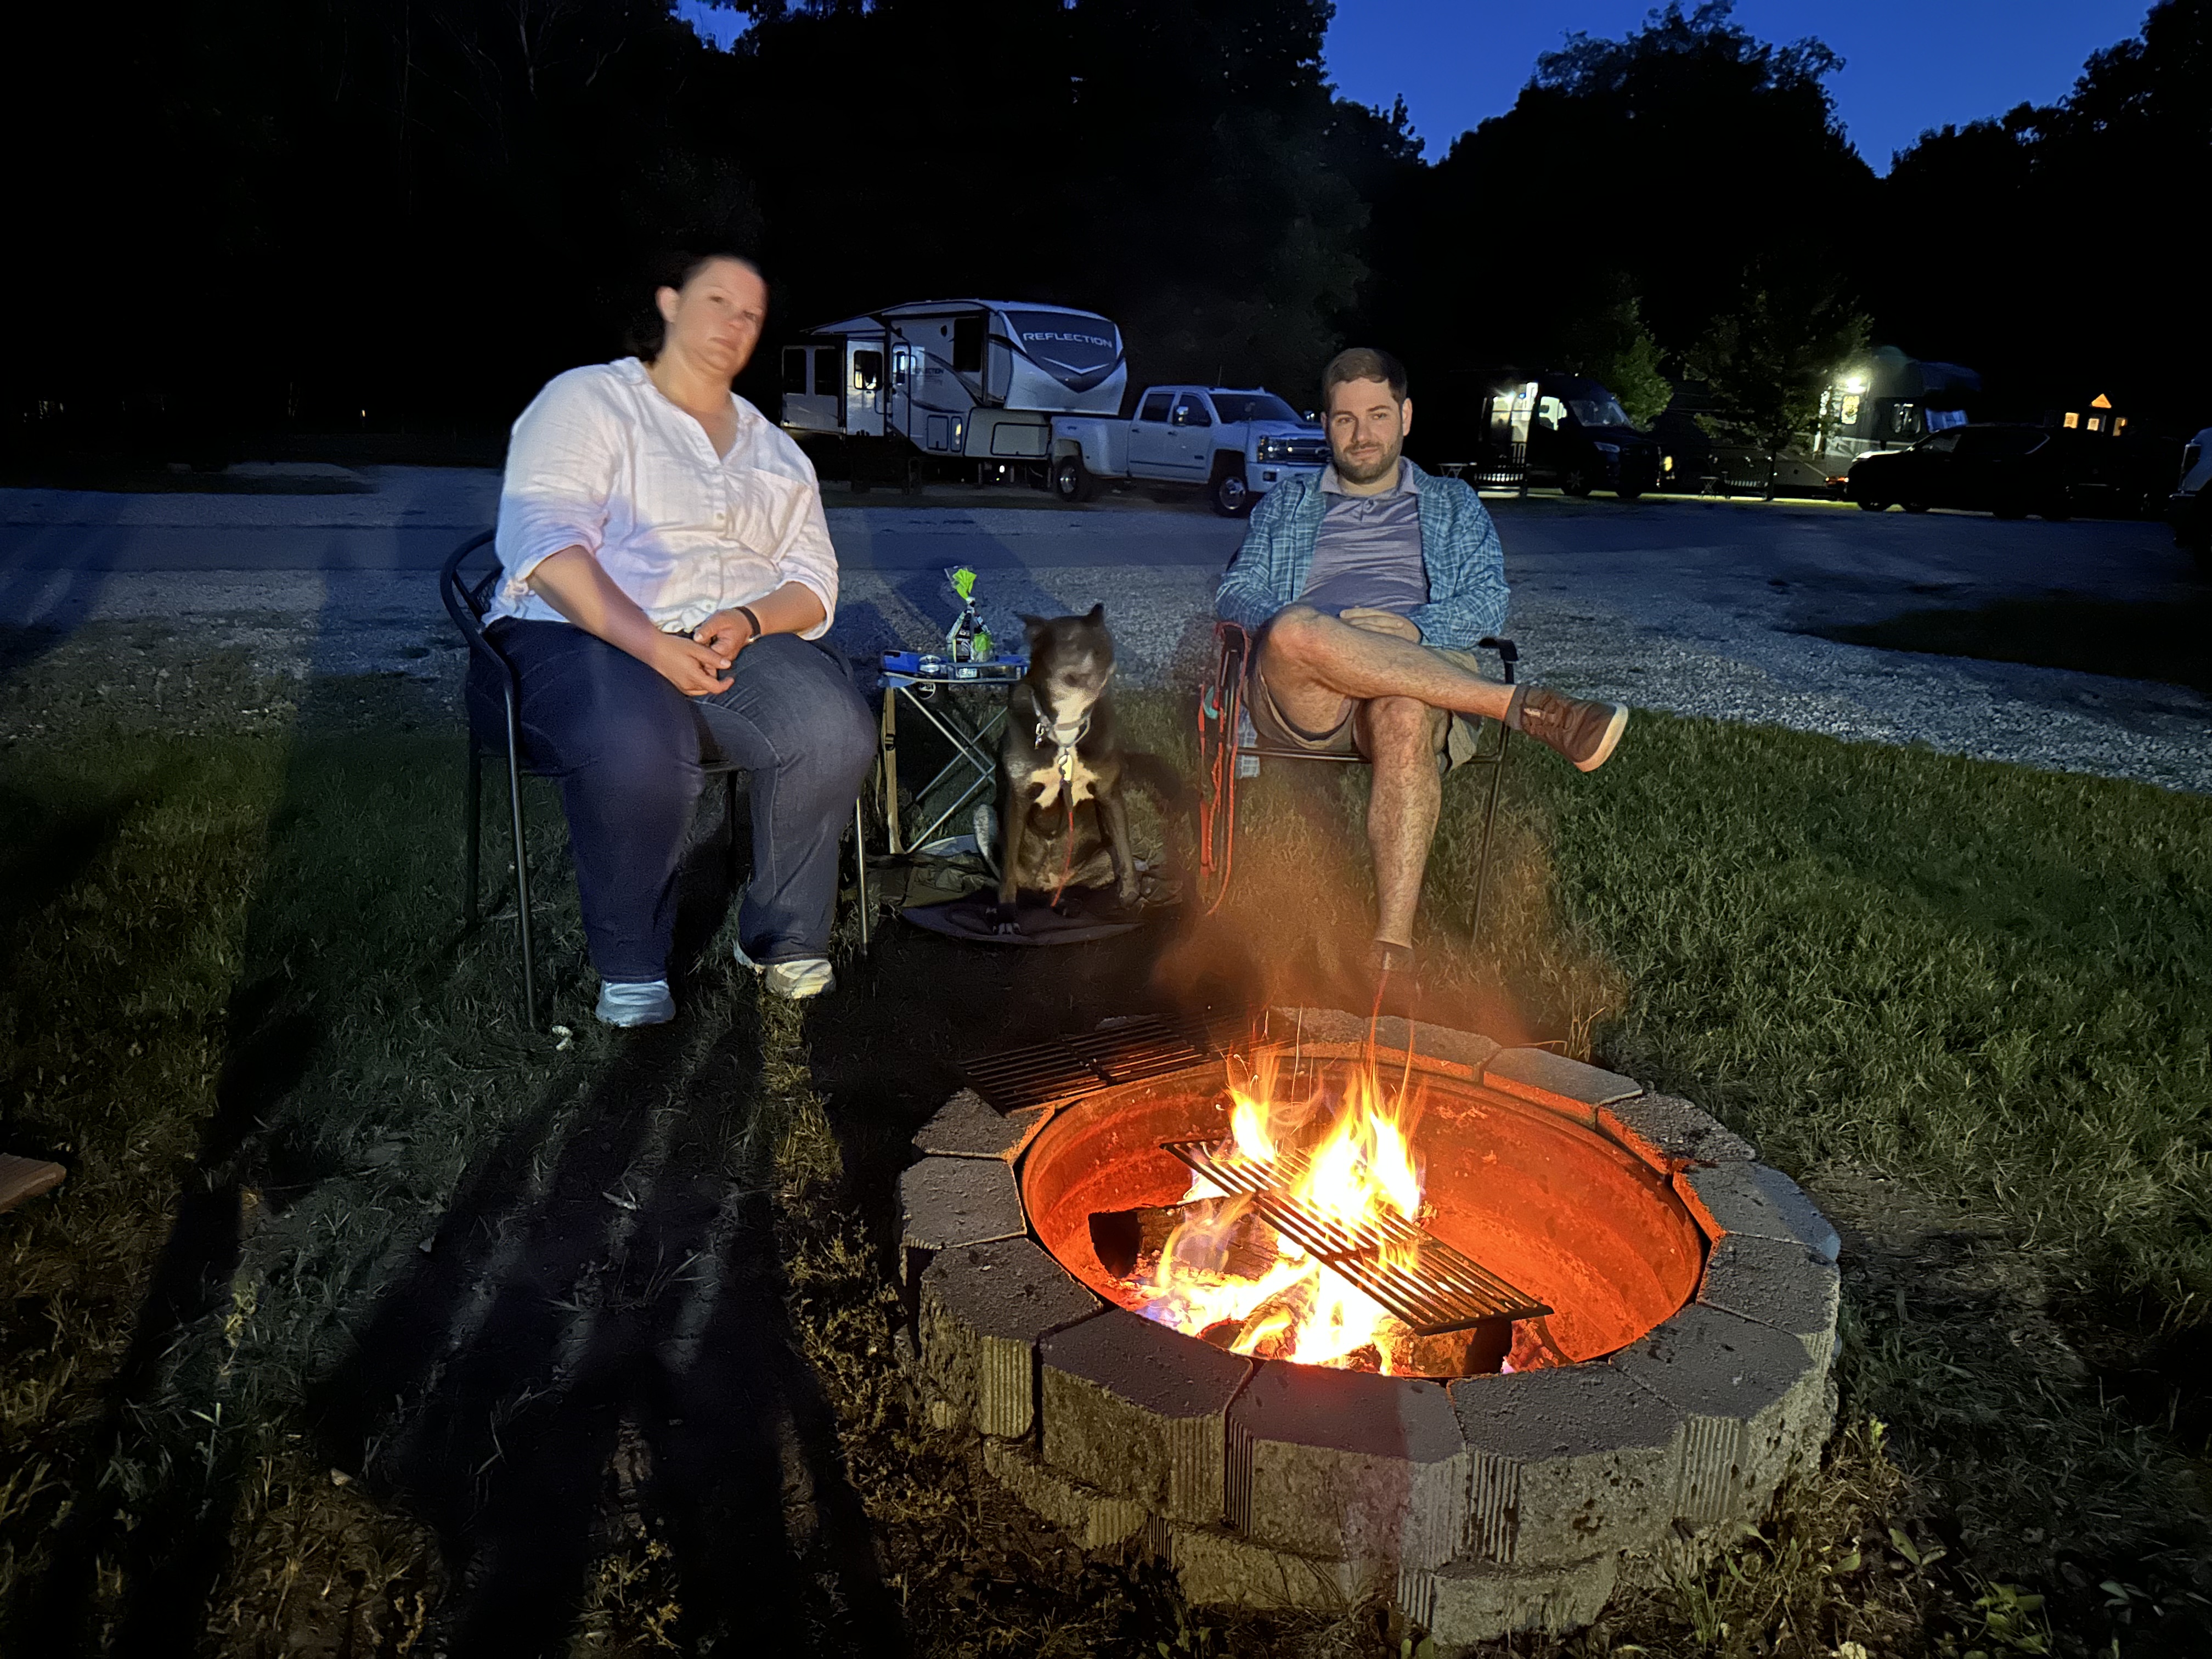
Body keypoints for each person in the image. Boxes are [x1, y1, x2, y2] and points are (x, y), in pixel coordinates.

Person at [481, 251, 876, 1025]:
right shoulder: (589, 401)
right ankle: (632, 962)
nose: (734, 323)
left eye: (751, 314)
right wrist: (651, 645)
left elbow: (813, 578)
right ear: (669, 304)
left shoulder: (774, 448)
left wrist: (754, 618)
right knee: (638, 738)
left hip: (725, 640)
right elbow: (545, 540)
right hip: (574, 634)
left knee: (833, 727)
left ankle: (780, 938)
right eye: (717, 300)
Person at [1215, 347, 1629, 989]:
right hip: (1310, 695)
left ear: (1406, 417)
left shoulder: (1453, 504)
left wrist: (1415, 628)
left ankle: (1391, 947)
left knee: (1406, 711)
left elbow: (1488, 599)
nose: (1362, 434)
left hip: (1416, 672)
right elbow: (1235, 595)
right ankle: (1521, 709)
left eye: (1378, 415)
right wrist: (1325, 633)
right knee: (1296, 627)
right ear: (1325, 423)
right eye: (1345, 419)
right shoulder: (1286, 505)